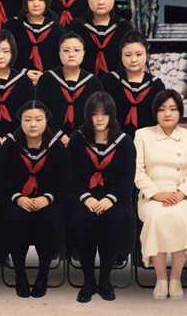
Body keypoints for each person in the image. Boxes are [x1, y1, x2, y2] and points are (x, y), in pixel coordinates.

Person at [66, 92, 136, 303]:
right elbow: (71, 173)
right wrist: (85, 197)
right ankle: (88, 282)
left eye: (104, 113)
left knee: (113, 219)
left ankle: (105, 281)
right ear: (88, 115)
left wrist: (111, 198)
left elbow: (127, 176)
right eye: (94, 113)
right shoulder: (78, 139)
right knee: (81, 218)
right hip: (83, 196)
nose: (99, 118)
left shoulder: (125, 142)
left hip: (115, 197)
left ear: (111, 114)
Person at [134, 90, 187, 300]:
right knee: (157, 217)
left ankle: (175, 278)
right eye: (162, 109)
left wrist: (181, 194)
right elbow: (137, 171)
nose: (167, 114)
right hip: (151, 196)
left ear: (179, 112)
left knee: (183, 216)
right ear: (155, 112)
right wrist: (156, 194)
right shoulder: (142, 135)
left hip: (181, 195)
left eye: (172, 109)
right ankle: (161, 278)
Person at [0, 101, 68, 298]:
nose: (33, 124)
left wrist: (48, 198)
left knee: (50, 219)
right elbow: (2, 176)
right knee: (13, 218)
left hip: (48, 201)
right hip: (17, 200)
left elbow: (64, 178)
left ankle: (43, 276)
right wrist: (17, 198)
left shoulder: (56, 146)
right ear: (21, 121)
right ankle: (20, 275)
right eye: (27, 120)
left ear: (46, 121)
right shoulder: (11, 144)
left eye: (38, 119)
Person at [35, 32, 103, 144]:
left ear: (83, 53)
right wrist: (58, 135)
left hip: (85, 140)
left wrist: (79, 136)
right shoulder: (47, 79)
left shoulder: (93, 81)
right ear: (59, 53)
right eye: (66, 50)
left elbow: (100, 113)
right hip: (51, 140)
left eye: (76, 50)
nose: (71, 54)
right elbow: (39, 112)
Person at [65, 0, 135, 77]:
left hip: (116, 84)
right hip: (82, 83)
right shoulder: (76, 27)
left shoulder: (125, 29)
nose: (101, 2)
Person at [101, 31, 166, 138]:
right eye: (128, 55)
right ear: (121, 56)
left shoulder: (156, 86)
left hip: (147, 142)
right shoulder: (109, 81)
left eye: (139, 54)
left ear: (146, 55)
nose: (133, 59)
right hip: (114, 142)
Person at [3, 0, 65, 86]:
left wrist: (45, 76)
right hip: (17, 83)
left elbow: (62, 59)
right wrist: (24, 73)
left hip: (49, 84)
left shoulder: (57, 29)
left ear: (47, 1)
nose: (36, 4)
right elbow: (4, 54)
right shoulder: (12, 25)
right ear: (24, 1)